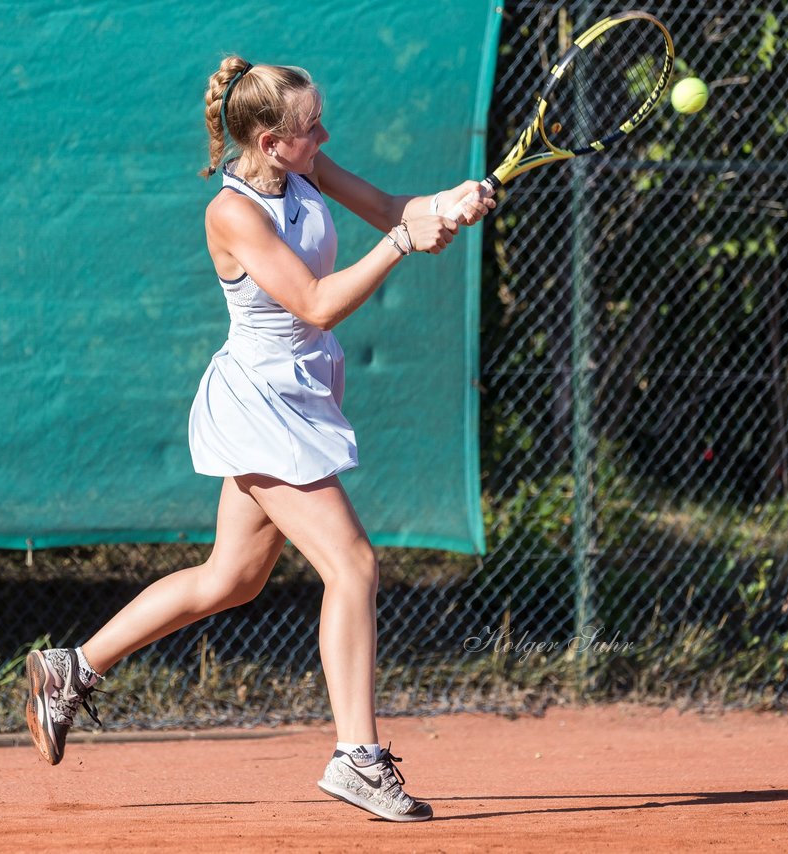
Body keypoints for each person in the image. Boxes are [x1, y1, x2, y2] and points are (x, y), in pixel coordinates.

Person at [25, 56, 494, 822]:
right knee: (352, 564)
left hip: (299, 398)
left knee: (229, 580)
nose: (325, 135)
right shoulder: (232, 212)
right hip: (262, 405)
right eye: (312, 128)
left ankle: (70, 668)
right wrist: (404, 244)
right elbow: (313, 303)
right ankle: (357, 757)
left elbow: (386, 206)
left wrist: (447, 202)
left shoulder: (304, 167)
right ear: (273, 142)